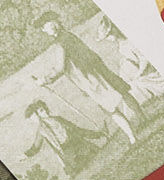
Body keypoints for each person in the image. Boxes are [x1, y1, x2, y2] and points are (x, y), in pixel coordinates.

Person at [35, 11, 138, 144]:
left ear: (54, 23)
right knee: (120, 95)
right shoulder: (68, 35)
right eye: (44, 27)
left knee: (110, 108)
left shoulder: (60, 43)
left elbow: (60, 68)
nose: (46, 28)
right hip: (95, 71)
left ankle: (132, 137)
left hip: (89, 78)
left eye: (47, 24)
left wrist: (44, 80)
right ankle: (140, 123)